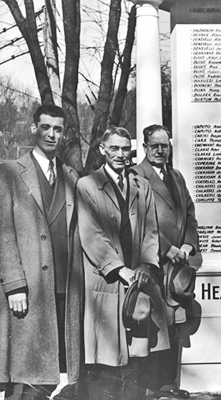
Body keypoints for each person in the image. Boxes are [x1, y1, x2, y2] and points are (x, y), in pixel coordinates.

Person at [77, 126, 169, 400]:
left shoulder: (142, 186)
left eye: (124, 148)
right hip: (108, 282)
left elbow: (152, 231)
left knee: (138, 359)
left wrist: (144, 266)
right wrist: (120, 269)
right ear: (102, 150)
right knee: (106, 361)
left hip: (139, 282)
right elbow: (91, 235)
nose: (120, 154)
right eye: (113, 148)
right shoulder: (87, 185)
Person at [0, 105, 84, 400]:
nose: (52, 134)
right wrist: (14, 285)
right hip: (29, 287)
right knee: (25, 374)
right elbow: (3, 232)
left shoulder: (71, 176)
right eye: (46, 127)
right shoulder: (9, 172)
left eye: (58, 129)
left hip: (64, 287)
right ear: (33, 128)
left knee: (53, 372)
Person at [131, 124, 199, 399]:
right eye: (155, 145)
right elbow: (139, 220)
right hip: (152, 263)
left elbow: (190, 214)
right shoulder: (136, 175)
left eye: (165, 145)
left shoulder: (177, 177)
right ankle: (148, 387)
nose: (160, 150)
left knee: (176, 324)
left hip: (178, 266)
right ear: (145, 148)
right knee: (153, 324)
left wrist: (188, 244)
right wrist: (166, 248)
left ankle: (168, 385)